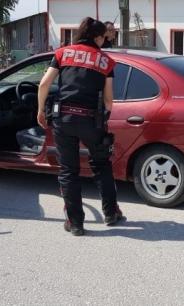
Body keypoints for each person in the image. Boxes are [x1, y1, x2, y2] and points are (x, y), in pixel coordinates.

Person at [37, 16, 123, 236]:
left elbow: (45, 83)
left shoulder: (62, 53)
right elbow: (108, 99)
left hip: (63, 120)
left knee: (69, 171)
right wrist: (104, 119)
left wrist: (40, 111)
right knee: (102, 164)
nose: (105, 40)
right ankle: (111, 213)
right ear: (96, 37)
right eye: (104, 37)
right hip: (91, 120)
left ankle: (75, 223)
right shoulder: (106, 62)